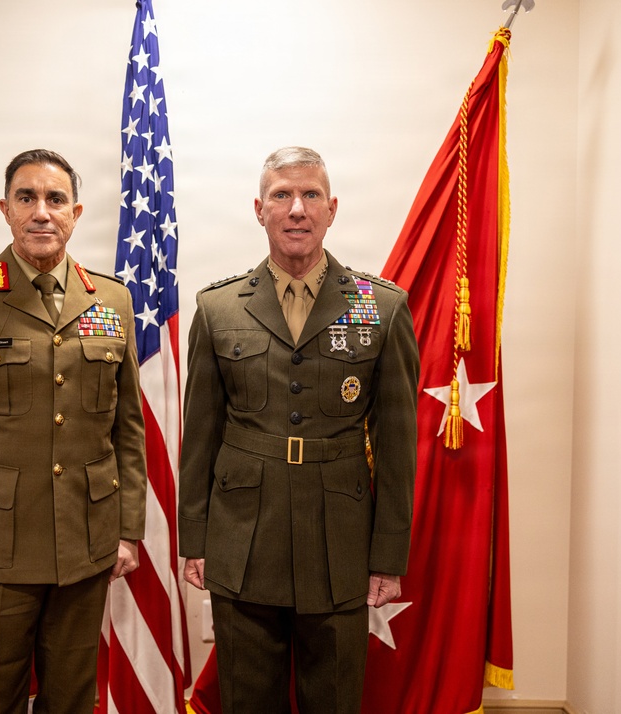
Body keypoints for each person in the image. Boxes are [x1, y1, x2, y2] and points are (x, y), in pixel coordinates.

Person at [178, 146, 419, 713]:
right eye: (281, 195)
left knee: (333, 699)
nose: (296, 209)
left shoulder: (381, 307)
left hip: (340, 541)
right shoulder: (218, 309)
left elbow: (397, 444)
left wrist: (388, 556)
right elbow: (200, 437)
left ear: (332, 209)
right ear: (259, 209)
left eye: (311, 195)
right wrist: (196, 540)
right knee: (246, 700)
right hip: (242, 536)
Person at [0, 149, 147, 714]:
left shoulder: (111, 299)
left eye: (55, 199)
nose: (42, 212)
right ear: (6, 209)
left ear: (75, 213)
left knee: (73, 699)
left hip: (87, 540)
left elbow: (128, 427)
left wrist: (127, 530)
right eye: (27, 198)